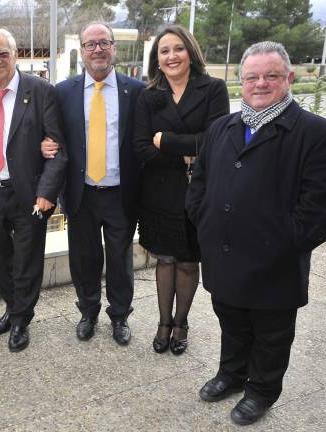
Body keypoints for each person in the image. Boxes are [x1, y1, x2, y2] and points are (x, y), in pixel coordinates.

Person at [186, 41, 326, 425]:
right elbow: (200, 182)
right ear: (241, 81)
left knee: (271, 334)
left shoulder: (317, 134)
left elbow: (320, 206)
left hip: (275, 262)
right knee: (231, 322)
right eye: (252, 76)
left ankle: (262, 390)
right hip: (223, 254)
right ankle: (231, 374)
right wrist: (204, 222)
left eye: (271, 76)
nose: (260, 83)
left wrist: (285, 243)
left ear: (288, 79)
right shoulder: (221, 127)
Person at [43, 22, 144, 345]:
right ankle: (88, 312)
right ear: (81, 51)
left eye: (104, 43)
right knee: (83, 259)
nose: (97, 49)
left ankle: (119, 316)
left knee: (120, 260)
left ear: (114, 48)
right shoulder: (63, 92)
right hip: (81, 193)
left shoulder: (136, 91)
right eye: (90, 44)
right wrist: (44, 146)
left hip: (120, 194)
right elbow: (53, 137)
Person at [133, 25, 229, 355]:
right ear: (156, 60)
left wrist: (168, 141)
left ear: (190, 52)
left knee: (188, 262)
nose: (171, 56)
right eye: (164, 51)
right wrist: (188, 151)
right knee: (165, 260)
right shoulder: (148, 96)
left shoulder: (213, 89)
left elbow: (217, 140)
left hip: (198, 191)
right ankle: (163, 322)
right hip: (159, 192)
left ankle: (181, 323)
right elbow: (142, 147)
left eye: (178, 49)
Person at [0, 28, 66, 352]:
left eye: (2, 53)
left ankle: (21, 320)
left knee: (27, 259)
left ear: (16, 54)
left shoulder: (41, 91)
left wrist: (47, 193)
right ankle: (12, 307)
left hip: (31, 195)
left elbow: (59, 148)